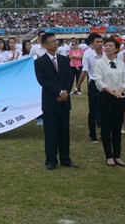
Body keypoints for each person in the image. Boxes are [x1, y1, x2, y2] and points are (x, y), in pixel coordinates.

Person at [33, 32, 77, 170]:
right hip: (51, 101)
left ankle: (65, 158)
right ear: (44, 45)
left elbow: (69, 78)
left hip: (64, 101)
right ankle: (51, 159)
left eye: (55, 41)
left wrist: (66, 92)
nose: (55, 43)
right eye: (52, 41)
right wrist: (59, 92)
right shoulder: (39, 62)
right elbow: (43, 81)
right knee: (51, 132)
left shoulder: (64, 59)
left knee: (64, 132)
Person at [92, 37, 125, 167]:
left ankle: (117, 155)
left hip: (119, 97)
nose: (107, 47)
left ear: (116, 49)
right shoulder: (100, 63)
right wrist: (111, 92)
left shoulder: (121, 64)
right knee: (106, 127)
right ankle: (109, 156)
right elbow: (98, 80)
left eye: (110, 45)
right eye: (106, 45)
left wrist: (120, 91)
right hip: (105, 97)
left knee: (117, 127)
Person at [79, 33, 104, 143]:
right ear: (92, 44)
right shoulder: (88, 55)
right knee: (93, 109)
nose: (100, 44)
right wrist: (78, 86)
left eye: (101, 42)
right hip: (94, 83)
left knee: (104, 109)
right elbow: (84, 71)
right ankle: (92, 134)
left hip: (105, 84)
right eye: (97, 42)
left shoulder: (105, 54)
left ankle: (104, 133)